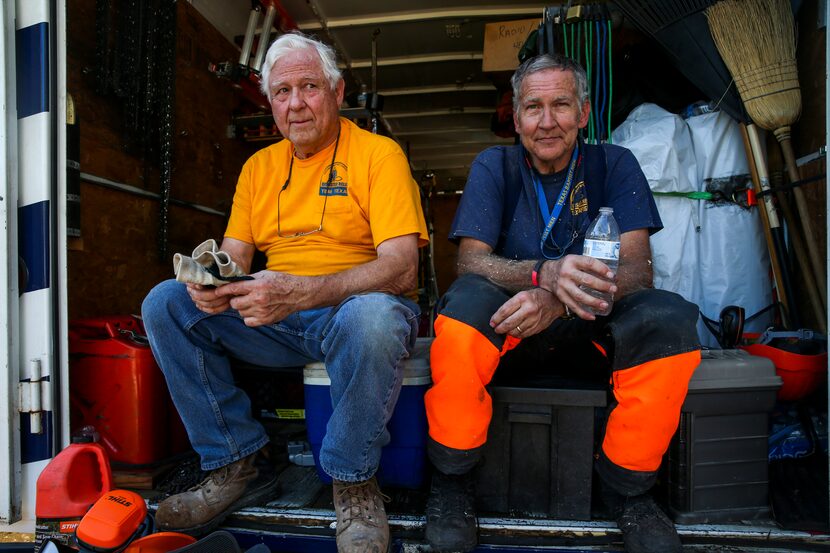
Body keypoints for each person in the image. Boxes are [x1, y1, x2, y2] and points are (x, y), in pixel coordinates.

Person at [141, 31, 429, 552]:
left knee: (373, 319)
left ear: (338, 94)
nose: (295, 104)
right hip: (279, 316)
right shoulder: (258, 167)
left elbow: (402, 269)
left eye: (309, 87)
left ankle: (353, 482)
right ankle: (235, 463)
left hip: (353, 314)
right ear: (269, 101)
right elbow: (236, 258)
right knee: (165, 302)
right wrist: (214, 283)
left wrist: (302, 293)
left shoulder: (378, 154)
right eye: (281, 92)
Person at [422, 54, 701, 553]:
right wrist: (541, 273)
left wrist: (561, 300)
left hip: (596, 329)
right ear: (516, 116)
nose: (546, 121)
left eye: (561, 105)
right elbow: (470, 264)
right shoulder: (496, 164)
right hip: (513, 329)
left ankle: (629, 490)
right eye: (533, 107)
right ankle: (452, 478)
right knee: (461, 310)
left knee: (669, 319)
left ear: (584, 112)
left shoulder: (613, 162)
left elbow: (638, 271)